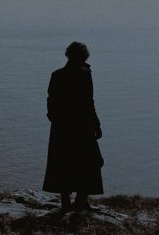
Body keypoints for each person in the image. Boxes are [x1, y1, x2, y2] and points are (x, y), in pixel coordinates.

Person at [43, 42, 104, 212]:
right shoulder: (84, 74)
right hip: (81, 127)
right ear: (84, 56)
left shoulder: (56, 75)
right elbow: (88, 103)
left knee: (63, 162)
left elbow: (51, 100)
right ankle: (81, 200)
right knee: (89, 162)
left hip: (61, 127)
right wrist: (96, 125)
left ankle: (65, 201)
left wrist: (55, 119)